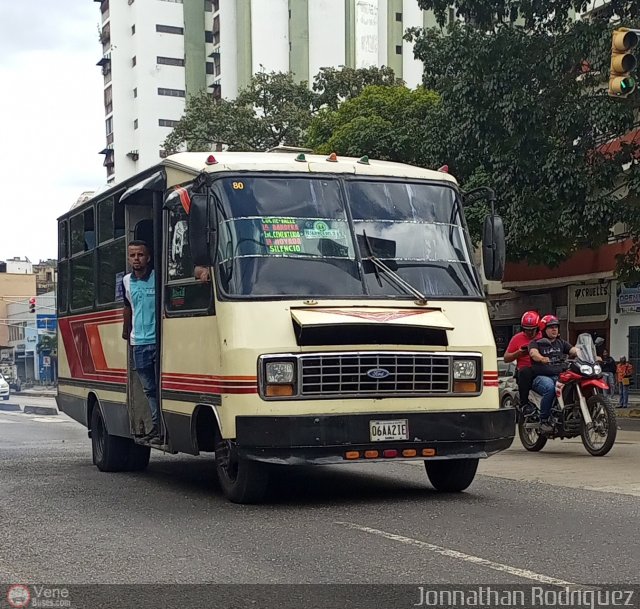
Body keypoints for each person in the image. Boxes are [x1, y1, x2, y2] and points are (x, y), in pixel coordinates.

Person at [121, 240, 160, 444]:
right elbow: (127, 306)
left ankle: (162, 427)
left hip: (159, 342)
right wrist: (125, 330)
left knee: (161, 387)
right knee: (149, 389)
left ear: (148, 257)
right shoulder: (126, 281)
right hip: (139, 344)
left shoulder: (158, 277)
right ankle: (156, 426)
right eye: (132, 255)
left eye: (140, 255)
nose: (136, 259)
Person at [529, 315, 578, 433]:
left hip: (560, 376)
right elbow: (533, 353)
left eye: (556, 327)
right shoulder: (536, 343)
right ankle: (544, 420)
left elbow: (574, 350)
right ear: (544, 329)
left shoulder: (561, 343)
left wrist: (589, 356)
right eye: (551, 327)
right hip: (542, 377)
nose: (554, 329)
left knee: (575, 383)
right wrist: (541, 358)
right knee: (550, 388)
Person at [503, 310, 541, 408]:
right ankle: (524, 405)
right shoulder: (517, 338)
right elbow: (506, 358)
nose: (529, 332)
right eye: (526, 329)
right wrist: (518, 353)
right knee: (524, 373)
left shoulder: (543, 337)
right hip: (525, 372)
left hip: (542, 369)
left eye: (532, 330)